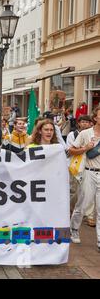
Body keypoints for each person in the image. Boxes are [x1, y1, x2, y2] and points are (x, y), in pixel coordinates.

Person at [68, 106, 100, 252]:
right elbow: (71, 151)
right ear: (95, 117)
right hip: (88, 172)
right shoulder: (85, 133)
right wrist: (86, 148)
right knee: (83, 204)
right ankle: (74, 228)